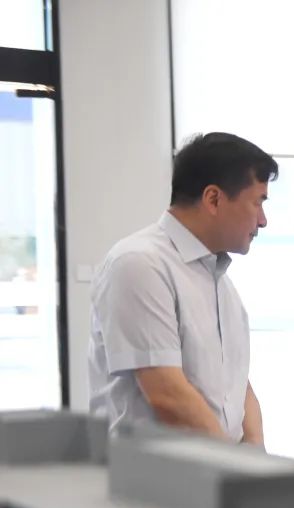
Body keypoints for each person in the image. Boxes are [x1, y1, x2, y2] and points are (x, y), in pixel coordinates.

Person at [88, 132, 278, 444]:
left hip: (214, 466)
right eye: (257, 202)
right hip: (151, 471)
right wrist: (234, 465)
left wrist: (255, 458)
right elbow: (168, 396)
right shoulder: (140, 264)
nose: (263, 220)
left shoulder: (220, 282)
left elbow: (237, 386)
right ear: (213, 199)